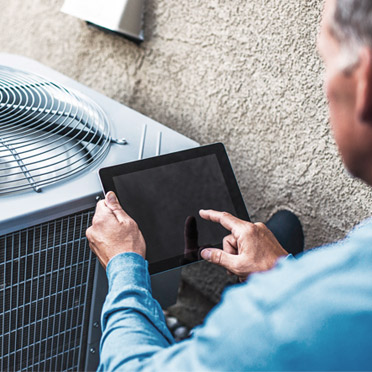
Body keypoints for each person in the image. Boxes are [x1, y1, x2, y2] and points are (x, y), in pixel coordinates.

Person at [86, 0, 372, 369]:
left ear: (363, 86)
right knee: (282, 230)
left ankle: (181, 338)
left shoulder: (278, 315)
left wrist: (124, 264)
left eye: (326, 62)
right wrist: (279, 267)